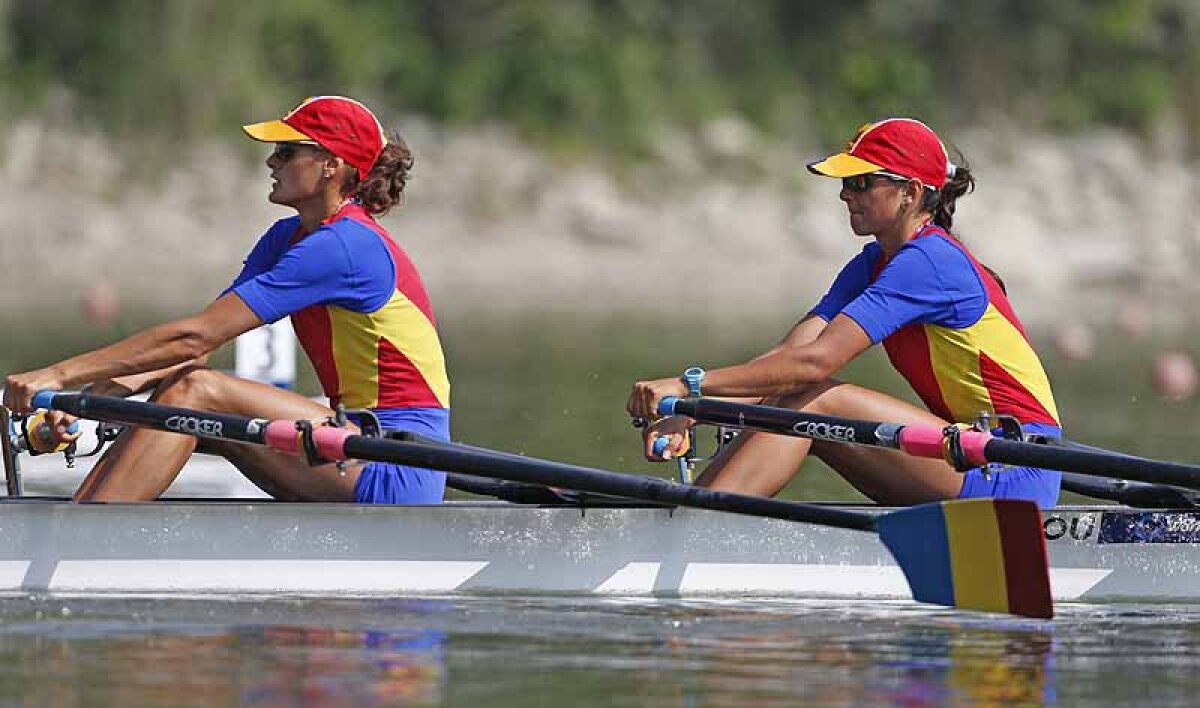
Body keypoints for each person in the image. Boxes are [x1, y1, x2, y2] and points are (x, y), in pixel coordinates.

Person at [3, 95, 451, 504]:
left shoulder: (344, 246)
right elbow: (196, 347)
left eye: (286, 151)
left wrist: (56, 375)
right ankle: (86, 523)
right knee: (179, 400)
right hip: (349, 439)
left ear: (331, 165)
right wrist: (89, 402)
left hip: (395, 460)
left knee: (195, 390)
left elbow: (193, 339)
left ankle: (81, 539)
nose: (271, 161)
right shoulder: (287, 238)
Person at [626, 118, 1062, 508]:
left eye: (861, 182)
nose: (844, 193)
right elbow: (788, 358)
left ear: (910, 193)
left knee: (814, 399)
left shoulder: (930, 262)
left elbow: (814, 365)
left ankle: (696, 525)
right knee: (792, 395)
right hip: (959, 452)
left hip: (1010, 464)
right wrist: (693, 408)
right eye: (846, 182)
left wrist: (689, 385)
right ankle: (695, 518)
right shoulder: (873, 263)